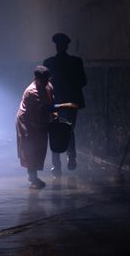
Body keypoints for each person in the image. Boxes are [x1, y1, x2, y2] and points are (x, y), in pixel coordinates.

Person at [16, 65, 78, 189]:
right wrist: (66, 105)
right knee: (31, 150)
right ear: (36, 78)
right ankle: (33, 177)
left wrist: (55, 114)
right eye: (43, 80)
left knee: (39, 149)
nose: (45, 82)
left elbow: (51, 102)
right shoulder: (32, 92)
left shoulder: (48, 85)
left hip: (39, 121)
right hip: (28, 122)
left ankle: (33, 176)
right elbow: (47, 107)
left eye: (47, 79)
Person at [43, 33, 87, 177]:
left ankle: (57, 166)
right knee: (69, 129)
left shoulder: (49, 63)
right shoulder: (76, 62)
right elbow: (83, 82)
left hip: (55, 103)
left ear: (56, 46)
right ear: (67, 46)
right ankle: (71, 158)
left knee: (55, 130)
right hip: (71, 102)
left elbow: (44, 85)